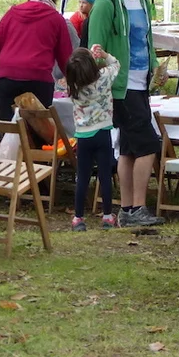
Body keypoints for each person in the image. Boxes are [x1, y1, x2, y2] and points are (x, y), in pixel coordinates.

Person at [87, 0, 164, 228]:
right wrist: (108, 75)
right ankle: (138, 208)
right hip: (121, 86)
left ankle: (128, 209)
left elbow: (146, 39)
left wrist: (156, 65)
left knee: (129, 149)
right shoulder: (106, 2)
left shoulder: (142, 0)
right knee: (149, 145)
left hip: (142, 84)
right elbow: (95, 50)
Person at [0, 0, 72, 119]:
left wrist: (7, 58)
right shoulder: (56, 19)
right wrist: (72, 80)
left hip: (7, 78)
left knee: (9, 124)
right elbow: (66, 56)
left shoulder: (12, 12)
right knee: (39, 127)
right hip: (38, 79)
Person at [66, 45, 121, 231]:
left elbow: (80, 69)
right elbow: (116, 64)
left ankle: (78, 217)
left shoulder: (73, 85)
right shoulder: (104, 77)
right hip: (103, 132)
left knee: (82, 176)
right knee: (105, 175)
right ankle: (107, 216)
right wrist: (103, 55)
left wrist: (87, 59)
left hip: (83, 135)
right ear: (91, 64)